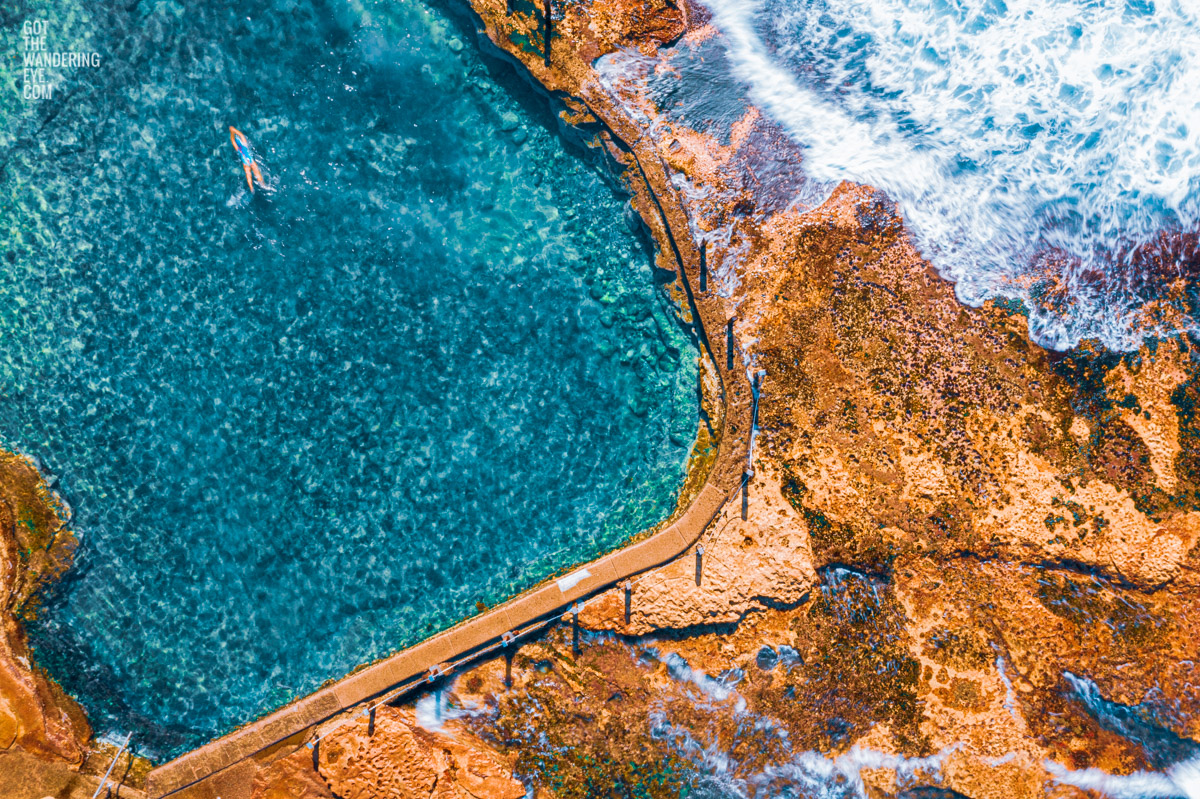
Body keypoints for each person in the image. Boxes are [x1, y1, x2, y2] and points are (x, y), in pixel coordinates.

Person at [229, 126, 264, 193]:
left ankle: (251, 187)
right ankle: (262, 184)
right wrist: (234, 130)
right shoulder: (244, 144)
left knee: (248, 175)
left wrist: (231, 133)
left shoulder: (238, 149)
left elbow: (233, 140)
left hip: (245, 162)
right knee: (257, 172)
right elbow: (241, 135)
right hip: (250, 159)